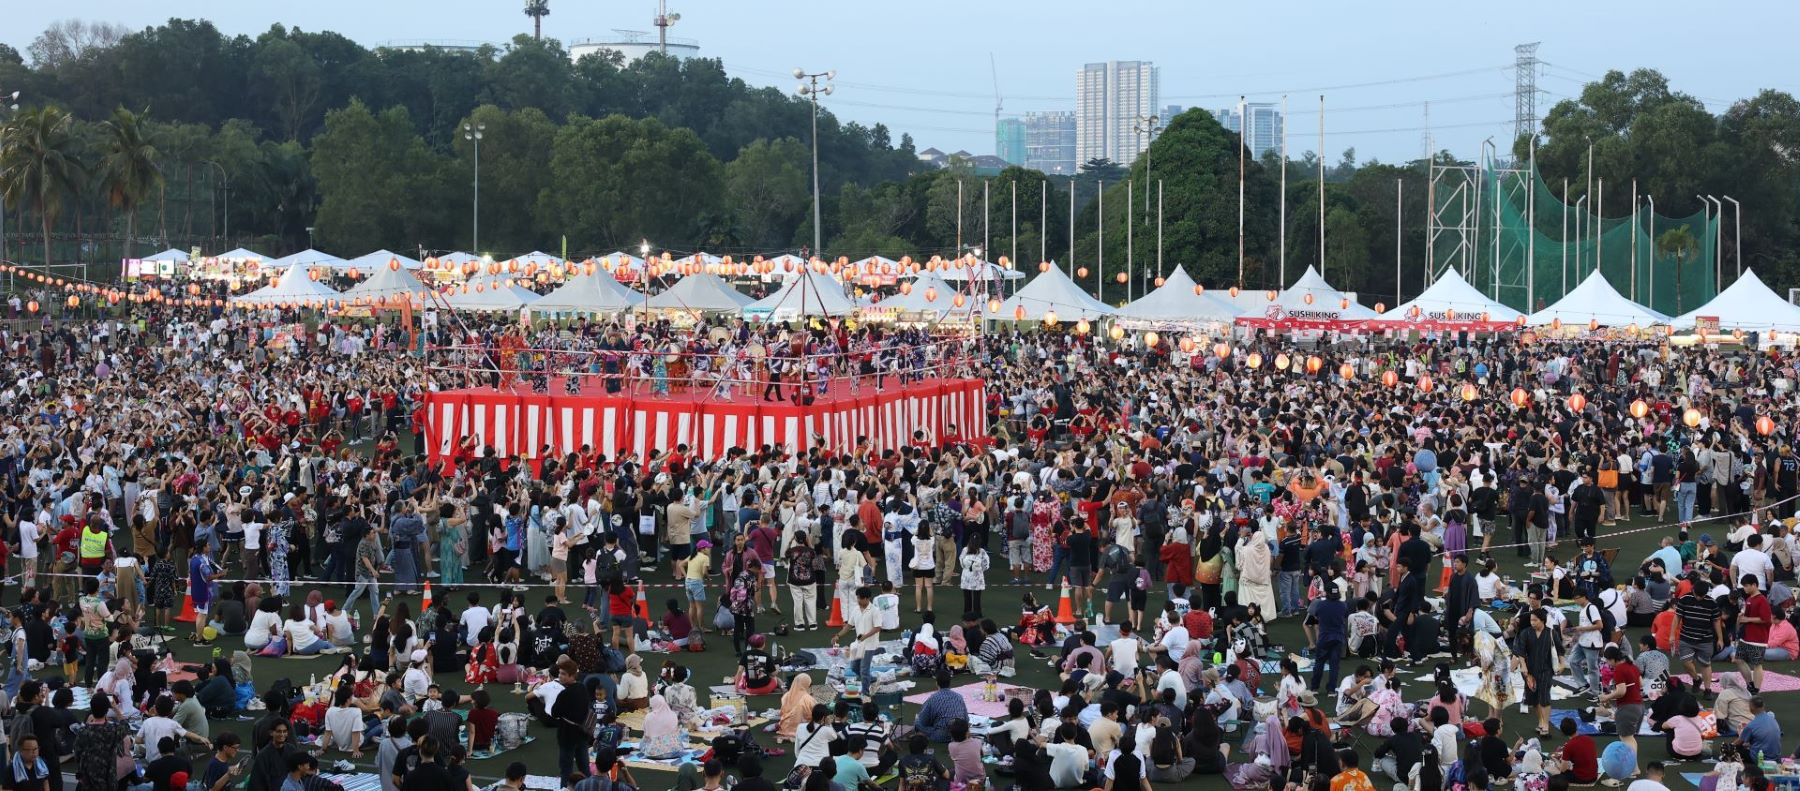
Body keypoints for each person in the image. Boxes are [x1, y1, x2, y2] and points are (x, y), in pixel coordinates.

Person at [1601, 646, 1644, 756]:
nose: (1607, 663)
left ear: (1612, 659)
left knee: (1626, 738)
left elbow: (1621, 691)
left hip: (1628, 708)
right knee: (1630, 738)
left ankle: (1632, 768)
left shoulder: (1619, 669)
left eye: (1607, 660)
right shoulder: (1633, 666)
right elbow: (1641, 684)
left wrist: (1607, 697)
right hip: (1639, 707)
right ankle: (1634, 769)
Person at [913, 671, 968, 742]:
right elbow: (966, 719)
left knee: (917, 722)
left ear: (937, 683)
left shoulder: (933, 698)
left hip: (941, 735)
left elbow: (923, 721)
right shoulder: (959, 696)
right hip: (959, 734)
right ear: (949, 682)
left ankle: (923, 734)